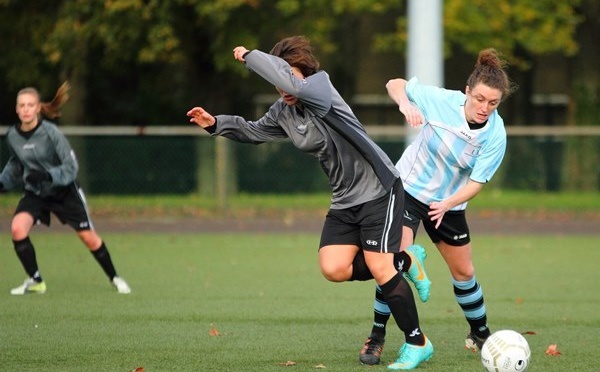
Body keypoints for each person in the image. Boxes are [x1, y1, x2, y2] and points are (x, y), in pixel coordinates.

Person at [187, 35, 433, 370]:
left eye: (290, 75)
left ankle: (417, 341)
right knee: (333, 267)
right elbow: (255, 131)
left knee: (379, 268)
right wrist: (215, 123)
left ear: (304, 72)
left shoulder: (320, 88)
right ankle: (404, 260)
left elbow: (296, 85)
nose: (284, 86)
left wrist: (249, 56)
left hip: (379, 188)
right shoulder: (283, 112)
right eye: (279, 79)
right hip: (345, 199)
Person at [359, 48, 516, 365]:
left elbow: (476, 183)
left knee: (464, 272)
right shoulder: (442, 101)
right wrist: (405, 103)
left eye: (493, 103)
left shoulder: (495, 135)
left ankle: (481, 333)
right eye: (480, 99)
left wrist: (448, 203)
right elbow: (394, 83)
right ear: (468, 91)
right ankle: (377, 336)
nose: (484, 107)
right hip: (406, 188)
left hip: (449, 203)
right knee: (392, 264)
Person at [1, 82, 131, 295]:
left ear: (37, 108)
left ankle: (115, 277)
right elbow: (16, 164)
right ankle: (36, 281)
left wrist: (47, 175)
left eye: (30, 105)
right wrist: (3, 182)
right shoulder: (12, 135)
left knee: (89, 238)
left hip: (64, 191)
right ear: (16, 109)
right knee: (17, 229)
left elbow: (71, 167)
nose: (25, 109)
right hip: (36, 193)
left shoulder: (50, 132)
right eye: (21, 105)